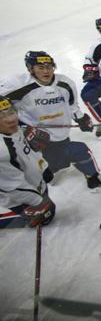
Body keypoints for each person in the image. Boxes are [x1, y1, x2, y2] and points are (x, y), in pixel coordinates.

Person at [1, 52, 101, 190]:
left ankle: (90, 177)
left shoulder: (65, 82)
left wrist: (80, 117)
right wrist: (21, 128)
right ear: (30, 69)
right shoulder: (17, 84)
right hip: (34, 138)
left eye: (49, 66)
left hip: (61, 134)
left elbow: (72, 105)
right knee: (67, 157)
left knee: (65, 157)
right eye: (40, 67)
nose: (46, 71)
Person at [0, 96, 55, 229]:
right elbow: (11, 186)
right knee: (47, 217)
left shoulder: (13, 129)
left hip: (33, 187)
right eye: (1, 116)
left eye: (11, 112)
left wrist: (43, 168)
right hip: (14, 199)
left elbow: (29, 154)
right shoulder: (2, 150)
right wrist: (38, 202)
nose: (11, 119)